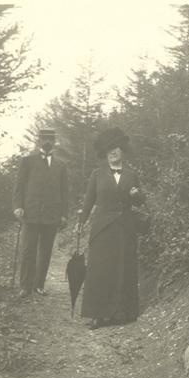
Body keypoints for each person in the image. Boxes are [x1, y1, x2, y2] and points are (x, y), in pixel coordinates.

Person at [78, 127, 145, 329]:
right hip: (102, 228)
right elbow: (89, 201)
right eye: (109, 150)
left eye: (116, 149)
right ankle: (97, 314)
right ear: (105, 153)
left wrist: (136, 195)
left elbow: (142, 201)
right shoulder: (97, 174)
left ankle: (122, 313)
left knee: (123, 269)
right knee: (99, 270)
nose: (113, 153)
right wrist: (81, 221)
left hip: (125, 228)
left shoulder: (132, 175)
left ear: (122, 150)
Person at [12, 128, 68, 298]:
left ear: (54, 142)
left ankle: (39, 285)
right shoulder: (27, 161)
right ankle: (25, 286)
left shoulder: (61, 165)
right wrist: (18, 206)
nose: (47, 142)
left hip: (51, 215)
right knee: (28, 250)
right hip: (31, 212)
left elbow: (64, 192)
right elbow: (19, 187)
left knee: (45, 251)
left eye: (50, 139)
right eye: (44, 138)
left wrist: (64, 214)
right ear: (39, 141)